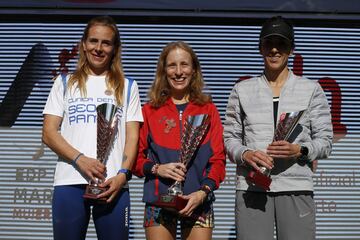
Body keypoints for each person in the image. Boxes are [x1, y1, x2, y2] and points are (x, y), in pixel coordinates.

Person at [224, 16, 333, 240]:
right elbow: (230, 139)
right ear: (260, 48)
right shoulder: (242, 90)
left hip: (296, 186)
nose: (274, 49)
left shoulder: (311, 89)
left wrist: (300, 150)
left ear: (291, 49)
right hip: (252, 188)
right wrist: (245, 154)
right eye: (268, 43)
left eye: (281, 43)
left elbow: (325, 142)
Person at [42, 16, 143, 240]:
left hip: (112, 185)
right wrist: (80, 159)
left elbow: (133, 138)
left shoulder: (128, 87)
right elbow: (49, 133)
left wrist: (122, 175)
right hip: (70, 181)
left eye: (106, 43)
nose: (98, 48)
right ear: (84, 45)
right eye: (93, 41)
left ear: (115, 48)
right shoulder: (64, 83)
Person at [133, 41, 226, 240]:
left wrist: (203, 192)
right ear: (163, 71)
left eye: (184, 64)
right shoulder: (149, 111)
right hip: (159, 202)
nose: (178, 72)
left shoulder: (208, 109)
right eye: (172, 65)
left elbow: (218, 160)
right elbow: (135, 161)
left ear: (194, 70)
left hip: (198, 200)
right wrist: (158, 169)